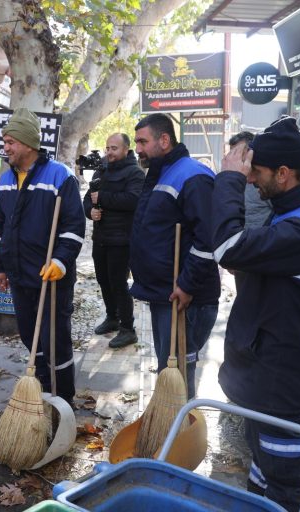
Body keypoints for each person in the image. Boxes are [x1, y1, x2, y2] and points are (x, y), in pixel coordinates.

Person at [212, 116, 300, 511]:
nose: (250, 180)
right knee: (263, 464)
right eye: (247, 173)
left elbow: (228, 248)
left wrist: (229, 178)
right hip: (268, 366)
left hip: (283, 375)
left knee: (283, 475)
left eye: (256, 172)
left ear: (284, 174)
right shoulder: (293, 212)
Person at [0, 108, 85, 405]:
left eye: (10, 142)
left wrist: (60, 261)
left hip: (51, 277)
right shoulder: (6, 179)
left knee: (54, 340)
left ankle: (63, 397)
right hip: (19, 275)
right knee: (31, 336)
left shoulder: (60, 177)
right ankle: (43, 387)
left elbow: (74, 227)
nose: (5, 147)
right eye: (4, 141)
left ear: (29, 143)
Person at [129, 113, 220, 399]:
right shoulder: (161, 173)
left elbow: (208, 239)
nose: (138, 149)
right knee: (169, 371)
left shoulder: (193, 176)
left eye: (143, 141)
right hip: (165, 293)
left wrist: (188, 285)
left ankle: (182, 435)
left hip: (185, 297)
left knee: (179, 374)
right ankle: (169, 430)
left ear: (164, 140)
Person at [83, 133, 144, 348]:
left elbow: (134, 200)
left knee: (119, 283)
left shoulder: (135, 173)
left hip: (122, 239)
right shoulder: (101, 170)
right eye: (108, 147)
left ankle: (128, 328)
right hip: (100, 237)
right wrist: (91, 212)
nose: (109, 152)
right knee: (103, 280)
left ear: (126, 150)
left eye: (114, 148)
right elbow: (87, 198)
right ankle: (112, 318)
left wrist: (103, 200)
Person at [226, 132, 272, 292]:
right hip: (241, 260)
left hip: (264, 260)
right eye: (232, 153)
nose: (235, 158)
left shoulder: (263, 181)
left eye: (238, 153)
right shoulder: (234, 182)